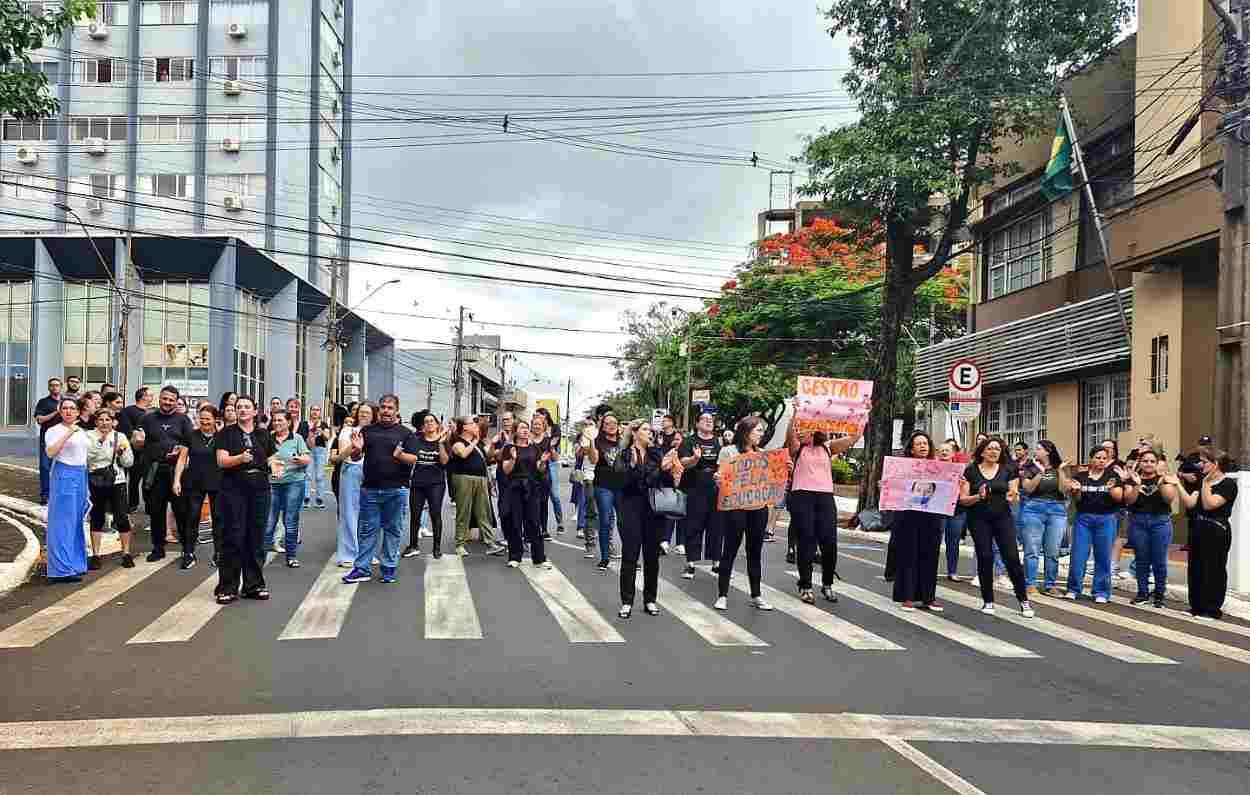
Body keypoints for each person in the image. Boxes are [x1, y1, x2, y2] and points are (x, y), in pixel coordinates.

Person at [786, 404, 861, 604]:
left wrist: (864, 412)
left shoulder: (828, 447)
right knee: (806, 542)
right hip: (802, 497)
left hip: (825, 498)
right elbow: (790, 435)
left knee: (829, 543)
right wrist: (795, 412)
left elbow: (854, 437)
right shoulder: (798, 448)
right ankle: (805, 585)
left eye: (805, 427)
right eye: (799, 427)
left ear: (815, 428)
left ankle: (827, 584)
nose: (800, 430)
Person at [342, 395, 415, 584]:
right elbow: (357, 458)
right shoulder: (367, 431)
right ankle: (362, 568)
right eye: (383, 407)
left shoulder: (406, 434)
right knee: (367, 530)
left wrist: (400, 455)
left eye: (390, 408)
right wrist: (356, 449)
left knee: (393, 530)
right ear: (379, 410)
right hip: (370, 489)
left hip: (397, 489)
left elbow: (414, 459)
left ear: (396, 410)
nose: (386, 411)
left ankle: (389, 567)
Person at [958, 436, 1034, 617]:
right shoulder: (970, 471)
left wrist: (1013, 495)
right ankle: (988, 601)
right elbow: (963, 499)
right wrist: (978, 497)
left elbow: (1013, 492)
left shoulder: (1009, 469)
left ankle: (1023, 600)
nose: (993, 452)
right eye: (990, 448)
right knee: (985, 556)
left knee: (1011, 557)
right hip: (978, 518)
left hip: (1002, 517)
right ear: (982, 451)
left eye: (997, 449)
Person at [713, 416, 782, 611]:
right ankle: (722, 594)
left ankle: (756, 594)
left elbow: (770, 481)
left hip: (758, 509)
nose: (761, 434)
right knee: (730, 551)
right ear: (746, 432)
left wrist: (783, 470)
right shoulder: (729, 451)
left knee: (754, 553)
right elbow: (722, 477)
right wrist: (719, 479)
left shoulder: (763, 455)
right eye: (758, 430)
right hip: (735, 508)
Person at [615, 423, 681, 618]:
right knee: (630, 556)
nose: (649, 433)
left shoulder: (656, 454)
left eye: (651, 431)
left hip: (653, 509)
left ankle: (650, 600)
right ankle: (627, 601)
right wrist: (634, 467)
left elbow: (662, 483)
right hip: (631, 508)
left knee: (651, 557)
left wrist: (667, 470)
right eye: (645, 429)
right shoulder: (624, 455)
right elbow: (622, 482)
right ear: (634, 433)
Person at [214, 397, 275, 603]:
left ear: (255, 411)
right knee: (233, 537)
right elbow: (221, 461)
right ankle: (228, 587)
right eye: (238, 407)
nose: (242, 410)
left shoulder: (263, 434)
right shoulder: (226, 434)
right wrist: (240, 458)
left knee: (256, 538)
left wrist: (275, 465)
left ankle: (254, 585)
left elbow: (271, 457)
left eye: (246, 407)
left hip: (259, 489)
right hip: (234, 489)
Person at [132, 385, 194, 562]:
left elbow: (190, 444)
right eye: (165, 398)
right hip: (154, 471)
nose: (167, 402)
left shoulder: (183, 420)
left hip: (178, 473)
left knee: (182, 512)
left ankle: (188, 550)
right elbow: (137, 443)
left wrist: (180, 452)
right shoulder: (147, 418)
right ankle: (158, 548)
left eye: (171, 400)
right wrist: (136, 441)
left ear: (176, 402)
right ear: (159, 398)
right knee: (156, 512)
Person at [1178, 447, 1239, 620]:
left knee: (1213, 569)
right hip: (1198, 528)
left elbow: (1210, 504)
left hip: (1217, 530)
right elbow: (1191, 504)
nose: (1200, 464)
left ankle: (1212, 609)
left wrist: (1205, 484)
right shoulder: (1202, 482)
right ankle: (1196, 606)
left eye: (1204, 462)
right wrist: (1177, 484)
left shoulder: (1228, 484)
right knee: (1196, 568)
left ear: (1216, 464)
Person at [889, 431, 945, 612]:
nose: (923, 446)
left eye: (925, 443)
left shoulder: (939, 467)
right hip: (908, 517)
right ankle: (908, 597)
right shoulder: (902, 467)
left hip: (931, 516)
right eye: (919, 444)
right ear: (911, 449)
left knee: (930, 556)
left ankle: (929, 597)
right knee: (909, 555)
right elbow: (893, 487)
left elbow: (945, 490)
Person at [1061, 446, 1123, 603]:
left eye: (1104, 458)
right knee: (1078, 555)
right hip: (1084, 519)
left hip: (1106, 519)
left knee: (1103, 556)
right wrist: (1076, 491)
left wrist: (1111, 489)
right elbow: (1077, 499)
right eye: (1098, 457)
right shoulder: (1080, 476)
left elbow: (1119, 498)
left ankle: (1101, 591)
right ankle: (1073, 588)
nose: (1101, 461)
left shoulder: (1113, 476)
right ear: (1091, 459)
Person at [1121, 448, 1180, 608]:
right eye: (1145, 461)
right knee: (1141, 559)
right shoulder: (1132, 479)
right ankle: (1142, 593)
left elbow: (1169, 499)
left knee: (1159, 560)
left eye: (1152, 461)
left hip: (1160, 522)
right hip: (1138, 522)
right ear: (1140, 462)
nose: (1148, 464)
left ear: (1157, 464)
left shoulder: (1166, 479)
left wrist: (1161, 481)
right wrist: (1136, 484)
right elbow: (1129, 501)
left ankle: (1159, 594)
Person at [44, 398, 91, 582]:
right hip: (64, 473)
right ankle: (60, 569)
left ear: (78, 412)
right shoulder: (53, 431)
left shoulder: (82, 432)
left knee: (77, 520)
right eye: (65, 408)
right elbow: (50, 452)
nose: (69, 411)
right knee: (62, 521)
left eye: (72, 408)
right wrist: (67, 434)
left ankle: (76, 564)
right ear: (59, 411)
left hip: (81, 474)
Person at [445, 416, 504, 558]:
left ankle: (490, 542)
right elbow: (463, 454)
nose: (475, 426)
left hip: (480, 479)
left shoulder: (477, 443)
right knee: (463, 511)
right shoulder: (457, 441)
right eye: (472, 423)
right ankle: (460, 544)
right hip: (464, 478)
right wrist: (475, 441)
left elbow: (487, 460)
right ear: (464, 427)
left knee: (484, 511)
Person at [499, 418, 553, 570]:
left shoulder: (534, 448)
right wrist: (513, 459)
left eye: (526, 428)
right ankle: (515, 556)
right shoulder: (509, 448)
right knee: (515, 523)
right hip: (515, 488)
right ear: (516, 430)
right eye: (521, 427)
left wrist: (542, 462)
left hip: (532, 488)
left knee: (534, 522)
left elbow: (540, 469)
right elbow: (506, 470)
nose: (525, 430)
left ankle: (539, 558)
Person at [84, 406, 134, 570]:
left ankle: (126, 553)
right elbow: (87, 458)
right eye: (101, 420)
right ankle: (96, 554)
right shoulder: (88, 436)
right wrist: (100, 443)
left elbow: (129, 462)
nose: (104, 423)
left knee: (121, 516)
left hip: (116, 480)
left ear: (113, 422)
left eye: (108, 420)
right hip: (96, 480)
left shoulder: (120, 436)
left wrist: (122, 453)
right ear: (96, 421)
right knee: (97, 516)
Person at [1015, 439, 1067, 595]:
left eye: (1038, 449)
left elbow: (1064, 490)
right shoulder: (1029, 467)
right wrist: (1041, 473)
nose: (1035, 451)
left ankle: (1050, 584)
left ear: (1048, 451)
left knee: (1053, 550)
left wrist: (1061, 471)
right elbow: (1028, 488)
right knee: (1032, 549)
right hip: (1033, 508)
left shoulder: (1060, 468)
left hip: (1057, 509)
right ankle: (1030, 583)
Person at [173, 405, 222, 569]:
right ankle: (188, 552)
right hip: (194, 481)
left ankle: (219, 553)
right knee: (192, 517)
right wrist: (177, 480)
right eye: (202, 418)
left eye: (208, 418)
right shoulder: (191, 436)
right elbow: (182, 459)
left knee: (218, 519)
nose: (204, 421)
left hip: (217, 482)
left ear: (215, 419)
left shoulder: (222, 437)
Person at [263, 409, 312, 568]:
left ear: (289, 422)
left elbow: (307, 457)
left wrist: (300, 459)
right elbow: (260, 457)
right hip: (272, 483)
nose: (277, 423)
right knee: (269, 520)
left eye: (280, 420)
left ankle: (291, 555)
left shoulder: (296, 438)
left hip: (294, 482)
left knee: (290, 520)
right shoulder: (267, 437)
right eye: (275, 420)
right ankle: (261, 555)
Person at [678, 412, 721, 581]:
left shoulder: (719, 442)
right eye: (704, 419)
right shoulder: (689, 441)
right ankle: (691, 563)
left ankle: (716, 562)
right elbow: (682, 462)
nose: (708, 421)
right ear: (697, 424)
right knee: (694, 526)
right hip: (695, 488)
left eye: (711, 419)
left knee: (716, 526)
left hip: (716, 489)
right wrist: (695, 459)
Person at [404, 411, 449, 558]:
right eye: (426, 421)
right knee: (415, 515)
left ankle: (436, 548)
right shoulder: (417, 439)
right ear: (423, 426)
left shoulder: (443, 440)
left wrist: (441, 443)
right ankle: (413, 545)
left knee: (435, 514)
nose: (429, 423)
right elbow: (409, 456)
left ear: (437, 424)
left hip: (436, 483)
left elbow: (444, 461)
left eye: (432, 421)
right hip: (418, 482)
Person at [588, 412, 627, 573]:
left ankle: (629, 557)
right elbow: (593, 460)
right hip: (603, 486)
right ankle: (605, 557)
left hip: (623, 486)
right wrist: (591, 442)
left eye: (614, 423)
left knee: (625, 522)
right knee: (605, 520)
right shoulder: (598, 442)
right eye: (607, 423)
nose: (611, 426)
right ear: (602, 427)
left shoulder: (624, 441)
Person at [335, 403, 371, 568]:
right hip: (351, 470)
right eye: (361, 412)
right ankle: (348, 553)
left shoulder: (376, 431)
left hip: (372, 472)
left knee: (369, 515)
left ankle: (367, 552)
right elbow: (340, 456)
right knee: (349, 512)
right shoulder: (348, 431)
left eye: (367, 412)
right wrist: (353, 446)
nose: (364, 415)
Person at [936, 441, 969, 582]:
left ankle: (952, 571)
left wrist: (962, 484)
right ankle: (930, 569)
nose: (944, 452)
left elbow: (965, 493)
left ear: (954, 453)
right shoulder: (932, 469)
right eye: (942, 450)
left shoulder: (961, 471)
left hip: (957, 510)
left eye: (947, 450)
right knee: (934, 541)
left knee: (953, 542)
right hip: (937, 509)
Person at [531, 412, 562, 539]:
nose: (537, 426)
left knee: (543, 504)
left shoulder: (548, 440)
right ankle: (532, 528)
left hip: (544, 476)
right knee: (531, 503)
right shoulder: (528, 439)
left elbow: (555, 459)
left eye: (539, 424)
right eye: (534, 424)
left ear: (544, 426)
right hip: (530, 475)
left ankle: (544, 530)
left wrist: (552, 449)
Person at [33, 377, 63, 505]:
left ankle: (60, 494)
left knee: (62, 467)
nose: (54, 387)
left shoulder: (66, 402)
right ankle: (45, 495)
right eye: (52, 385)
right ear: (49, 387)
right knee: (45, 467)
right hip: (47, 439)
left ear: (61, 387)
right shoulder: (43, 402)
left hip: (63, 438)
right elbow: (40, 420)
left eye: (57, 385)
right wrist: (56, 412)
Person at [122, 387, 152, 512]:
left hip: (149, 452)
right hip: (133, 452)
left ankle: (149, 506)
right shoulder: (128, 411)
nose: (152, 398)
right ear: (143, 396)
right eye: (150, 395)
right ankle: (132, 505)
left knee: (148, 480)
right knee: (133, 480)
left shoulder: (152, 413)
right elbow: (127, 429)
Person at [302, 404, 332, 510]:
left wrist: (321, 431)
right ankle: (306, 498)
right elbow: (303, 439)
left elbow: (327, 437)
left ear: (320, 412)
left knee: (320, 475)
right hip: (308, 450)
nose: (315, 412)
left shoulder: (323, 424)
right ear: (310, 411)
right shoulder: (305, 424)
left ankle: (320, 498)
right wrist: (311, 432)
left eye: (317, 410)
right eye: (313, 410)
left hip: (320, 450)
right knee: (307, 475)